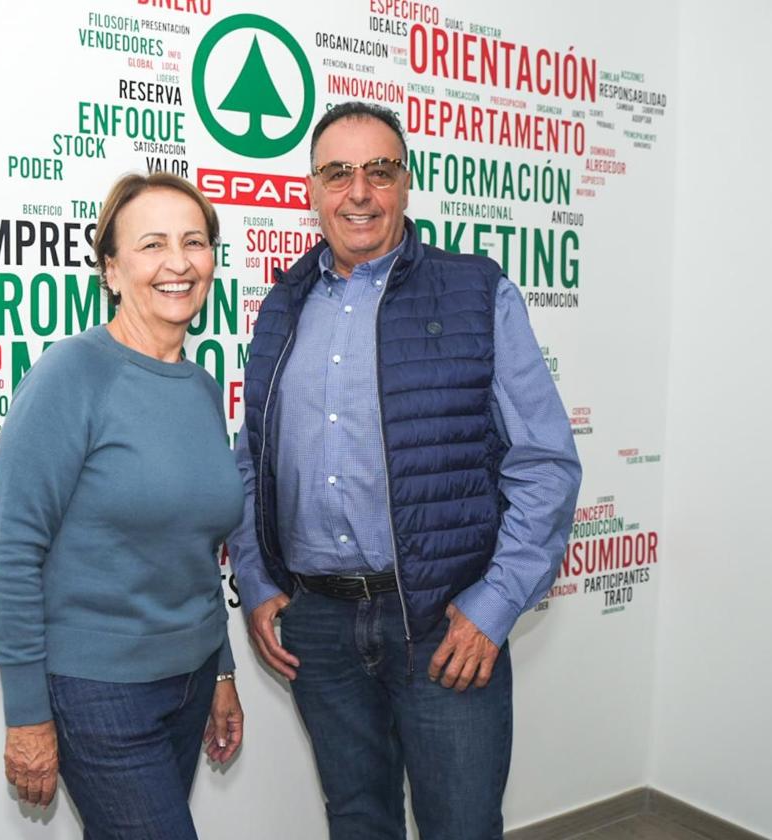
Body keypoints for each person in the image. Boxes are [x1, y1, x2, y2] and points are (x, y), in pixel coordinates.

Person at [227, 101, 582, 839]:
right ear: (312, 190)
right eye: (338, 172)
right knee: (358, 820)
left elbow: (545, 464)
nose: (359, 191)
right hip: (317, 622)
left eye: (379, 171)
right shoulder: (283, 305)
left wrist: (494, 603)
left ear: (405, 184)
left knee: (459, 823)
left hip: (440, 620)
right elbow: (253, 455)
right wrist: (259, 582)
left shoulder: (478, 291)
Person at [0, 171, 245, 840]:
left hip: (189, 682)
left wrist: (220, 671)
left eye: (194, 241)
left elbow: (196, 550)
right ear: (110, 268)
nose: (178, 263)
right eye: (152, 244)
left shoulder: (202, 388)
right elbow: (12, 554)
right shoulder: (71, 373)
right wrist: (27, 715)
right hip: (98, 692)